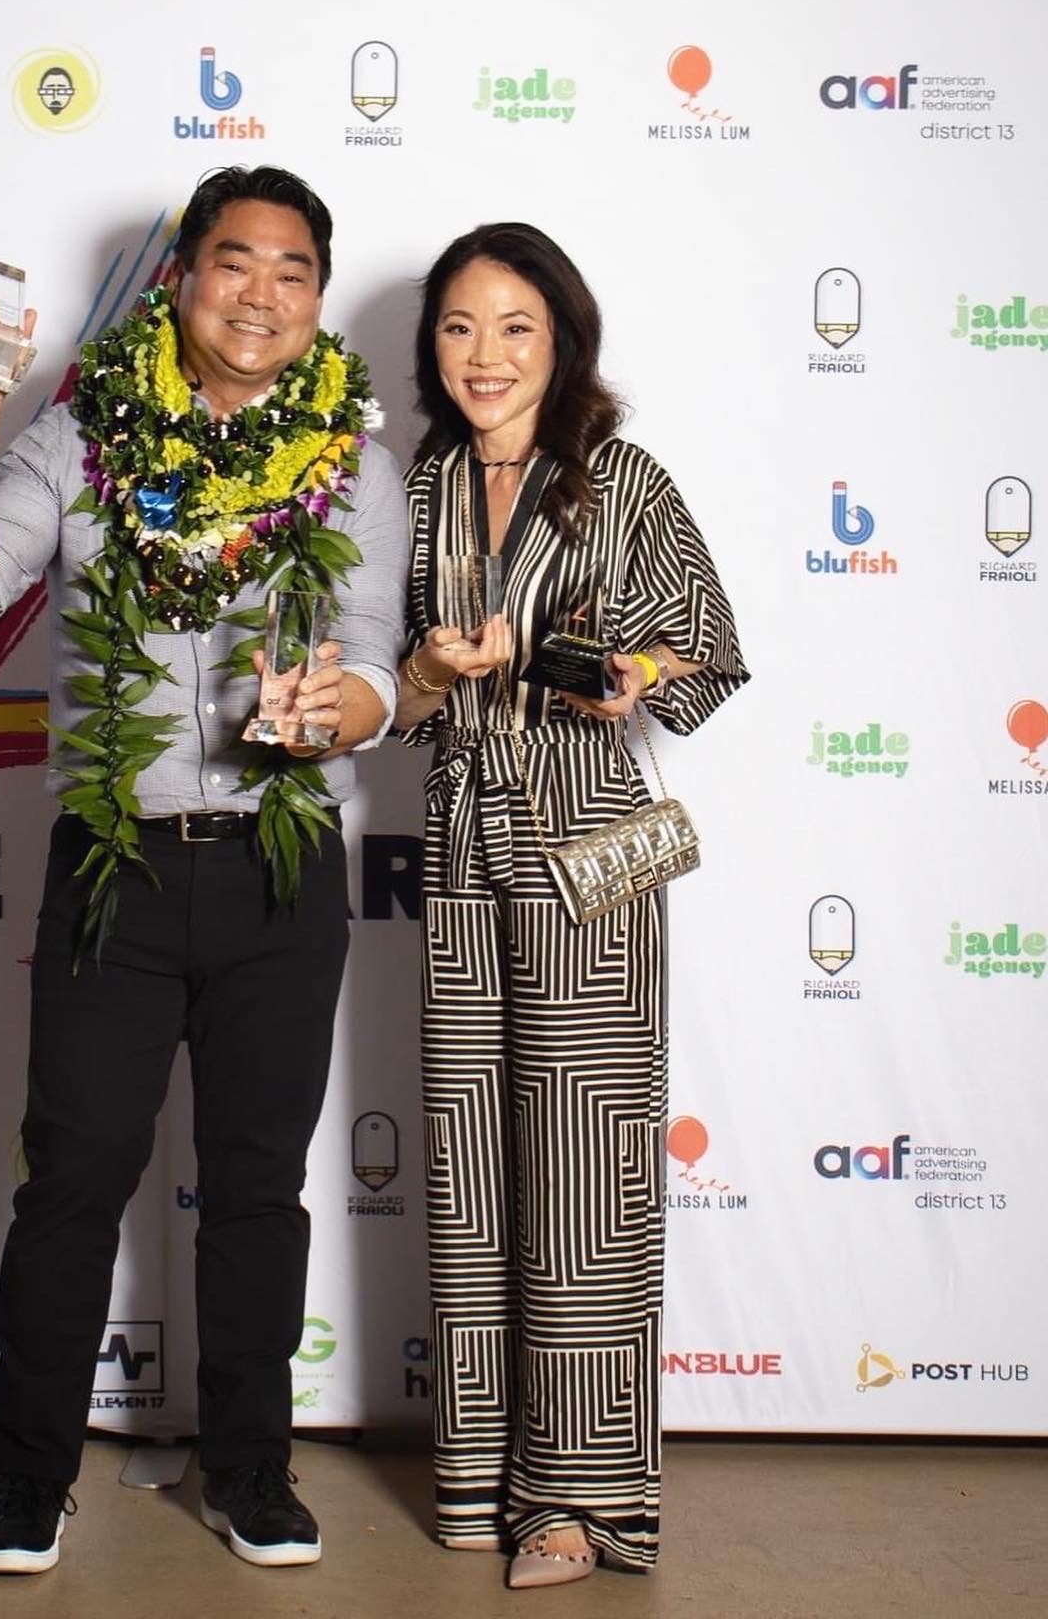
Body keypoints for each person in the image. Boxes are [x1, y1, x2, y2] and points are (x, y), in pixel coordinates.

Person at [0, 166, 408, 1575]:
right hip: (115, 870)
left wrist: (340, 714)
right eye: (234, 263)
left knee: (258, 1184)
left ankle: (253, 1471)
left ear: (317, 296)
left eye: (293, 270)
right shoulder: (75, 444)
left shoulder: (353, 467)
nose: (261, 295)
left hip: (281, 863)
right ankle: (30, 1479)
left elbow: (375, 660)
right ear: (183, 278)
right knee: (70, 1181)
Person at [393, 223, 748, 1590]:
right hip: (463, 844)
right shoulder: (417, 488)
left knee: (582, 1165)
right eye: (460, 328)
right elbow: (399, 699)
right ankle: (484, 1475)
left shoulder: (616, 482)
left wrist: (625, 669)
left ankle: (579, 1504)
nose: (485, 356)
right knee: (473, 1156)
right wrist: (428, 668)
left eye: (515, 328)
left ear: (564, 340)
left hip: (592, 847)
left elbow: (706, 647)